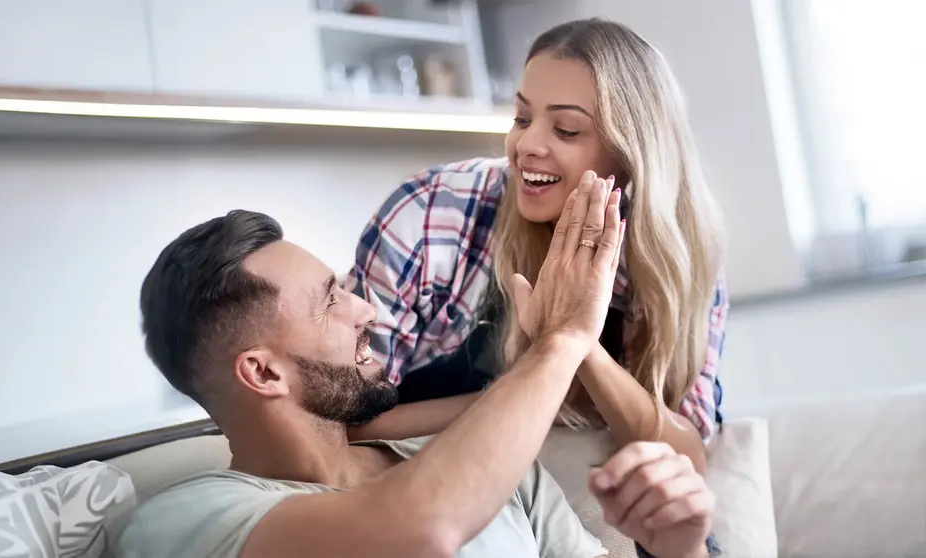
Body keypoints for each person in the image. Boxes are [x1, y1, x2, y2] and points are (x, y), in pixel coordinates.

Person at [116, 190, 717, 558]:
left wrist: (682, 551)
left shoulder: (494, 471)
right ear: (264, 373)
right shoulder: (185, 521)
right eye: (332, 301)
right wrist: (558, 344)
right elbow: (419, 533)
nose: (366, 310)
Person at [344, 17, 729, 474]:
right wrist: (543, 395)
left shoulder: (677, 259)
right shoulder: (433, 214)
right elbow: (342, 423)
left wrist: (575, 343)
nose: (525, 144)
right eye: (522, 118)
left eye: (566, 129)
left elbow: (688, 458)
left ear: (632, 154)